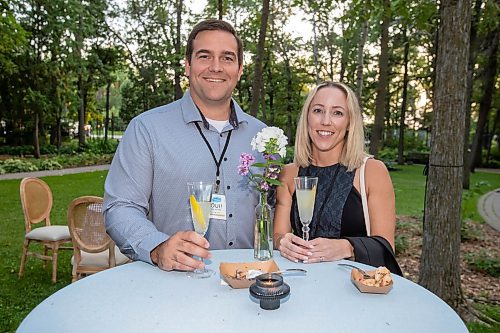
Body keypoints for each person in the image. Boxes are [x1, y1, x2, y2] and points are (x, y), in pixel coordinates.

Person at [104, 19, 266, 272]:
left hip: (248, 285)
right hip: (174, 285)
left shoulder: (264, 137)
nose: (216, 67)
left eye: (227, 58)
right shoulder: (147, 129)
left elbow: (278, 208)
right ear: (188, 65)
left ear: (240, 69)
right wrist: (158, 247)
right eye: (204, 56)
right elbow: (121, 207)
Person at [273, 81, 402, 275]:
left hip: (356, 291)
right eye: (318, 110)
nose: (326, 121)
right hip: (303, 285)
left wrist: (346, 247)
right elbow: (277, 236)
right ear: (307, 117)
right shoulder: (289, 174)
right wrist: (284, 243)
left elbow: (385, 248)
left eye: (337, 113)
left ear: (350, 122)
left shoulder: (371, 171)